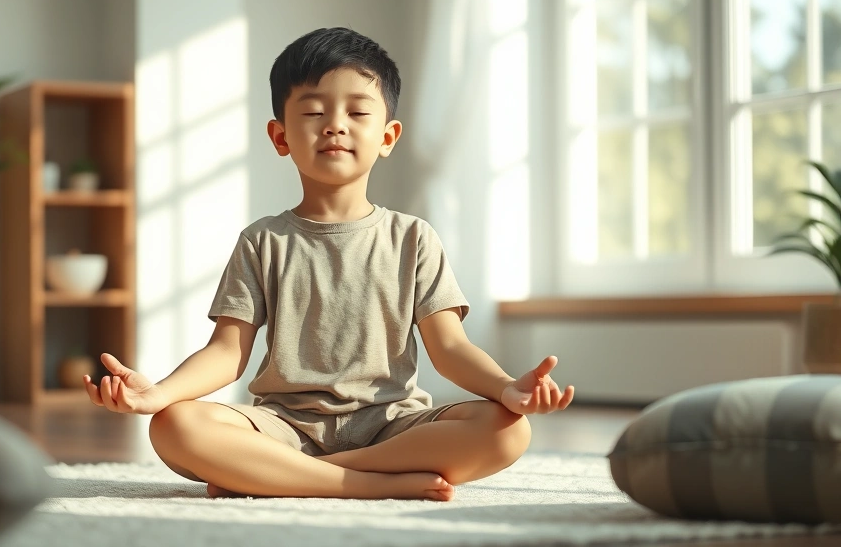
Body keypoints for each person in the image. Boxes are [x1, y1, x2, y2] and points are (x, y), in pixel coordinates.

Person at [84, 27, 573, 502]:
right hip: (283, 428)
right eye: (314, 112)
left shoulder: (414, 237)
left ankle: (284, 478)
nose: (335, 124)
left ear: (388, 135)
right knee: (175, 424)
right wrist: (158, 394)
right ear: (280, 137)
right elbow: (226, 352)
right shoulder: (262, 240)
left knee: (507, 431)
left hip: (392, 428)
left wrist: (508, 389)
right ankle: (363, 485)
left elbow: (450, 347)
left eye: (358, 111)